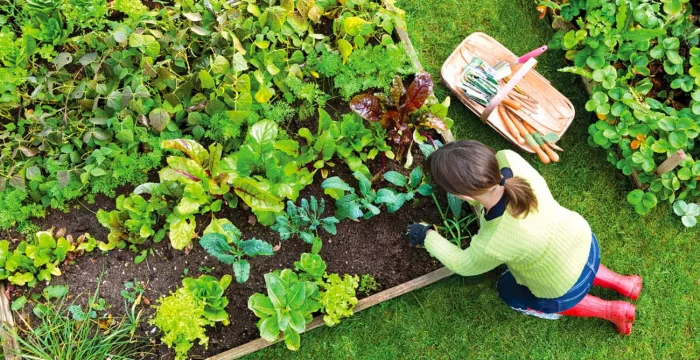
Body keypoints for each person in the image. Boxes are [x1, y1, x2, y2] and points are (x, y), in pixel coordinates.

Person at [407, 140, 642, 334]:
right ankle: (624, 283)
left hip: (562, 285)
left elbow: (463, 264)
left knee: (507, 290)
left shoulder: (494, 240)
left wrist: (426, 235)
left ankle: (612, 311)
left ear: (462, 195)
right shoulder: (510, 159)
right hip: (583, 241)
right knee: (573, 262)